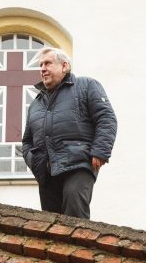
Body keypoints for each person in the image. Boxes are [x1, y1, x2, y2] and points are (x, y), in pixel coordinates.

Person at [21, 47, 117, 219]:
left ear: (64, 66)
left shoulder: (86, 86)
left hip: (79, 164)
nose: (42, 68)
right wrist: (33, 160)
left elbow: (106, 118)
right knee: (51, 225)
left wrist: (100, 151)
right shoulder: (36, 104)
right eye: (41, 65)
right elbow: (27, 140)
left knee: (75, 214)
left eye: (48, 63)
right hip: (46, 173)